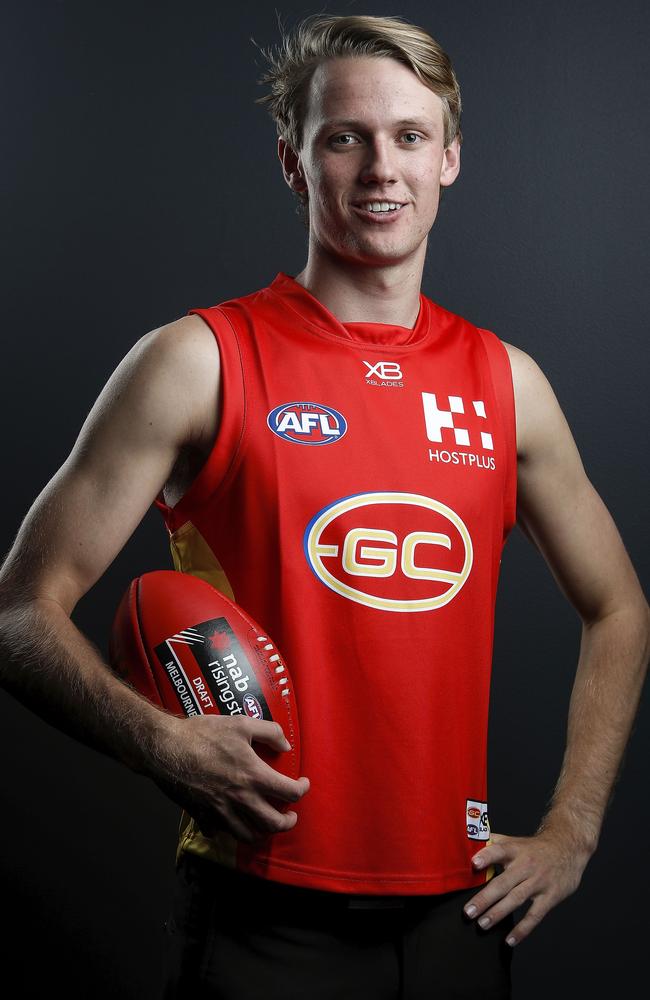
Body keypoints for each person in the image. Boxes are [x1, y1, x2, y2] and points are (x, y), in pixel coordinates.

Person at [0, 12, 647, 1000]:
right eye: (343, 137)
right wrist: (158, 741)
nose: (380, 168)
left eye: (409, 137)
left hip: (458, 917)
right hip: (261, 914)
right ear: (294, 164)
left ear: (450, 160)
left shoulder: (506, 385)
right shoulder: (197, 362)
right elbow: (17, 611)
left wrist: (571, 827)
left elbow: (618, 608)